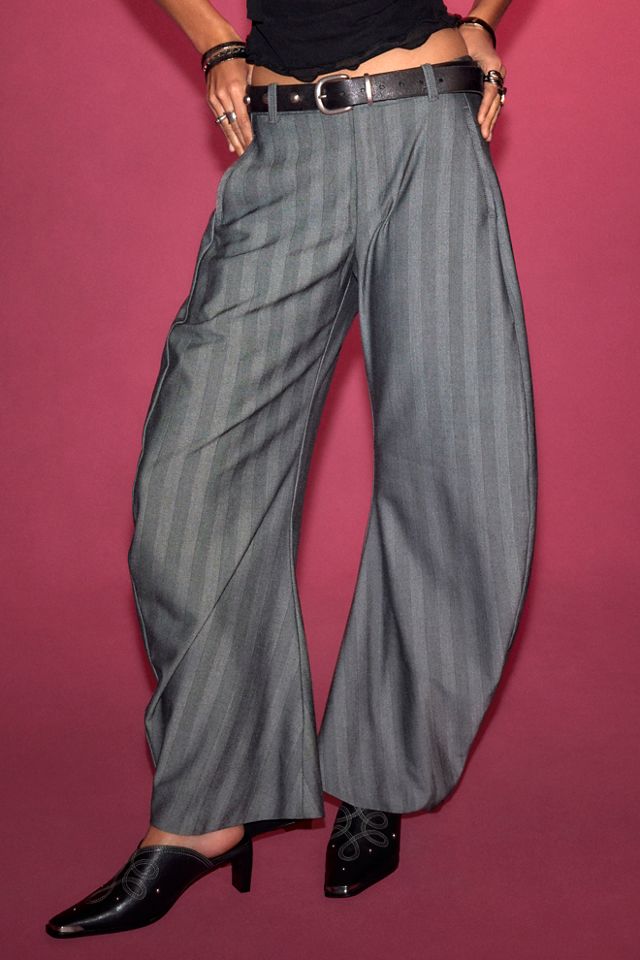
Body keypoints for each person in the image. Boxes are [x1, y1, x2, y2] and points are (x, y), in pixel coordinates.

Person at [46, 0, 537, 938]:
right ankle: (210, 809)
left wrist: (483, 18)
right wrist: (216, 42)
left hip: (425, 123)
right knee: (191, 477)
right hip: (285, 145)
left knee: (451, 470)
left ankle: (381, 772)